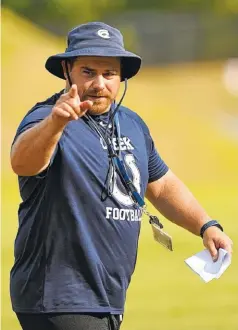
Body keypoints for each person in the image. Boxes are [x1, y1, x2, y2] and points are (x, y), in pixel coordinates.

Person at [10, 22, 233, 330]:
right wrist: (54, 125)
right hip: (58, 296)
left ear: (121, 76)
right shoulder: (46, 118)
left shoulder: (131, 125)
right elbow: (22, 163)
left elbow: (162, 183)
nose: (99, 83)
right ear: (67, 70)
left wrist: (205, 225)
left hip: (107, 298)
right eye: (88, 71)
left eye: (109, 73)